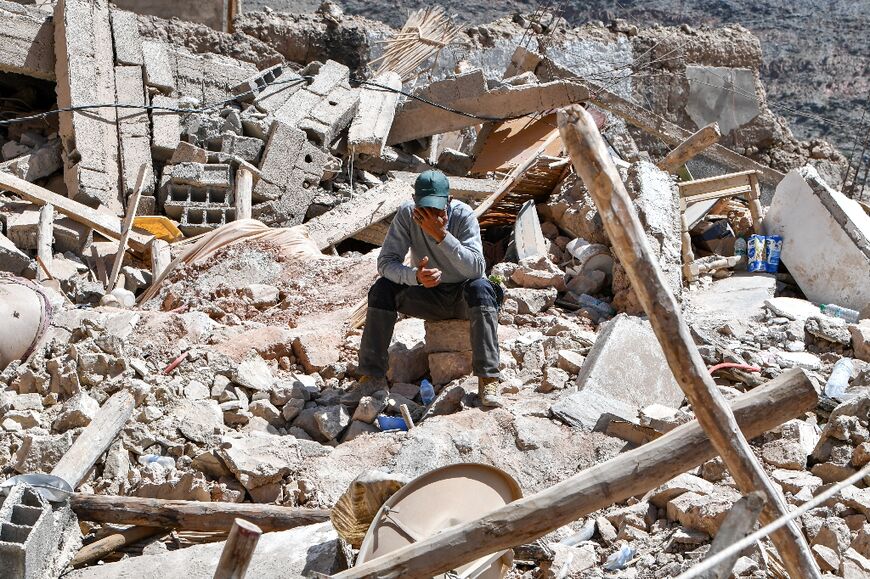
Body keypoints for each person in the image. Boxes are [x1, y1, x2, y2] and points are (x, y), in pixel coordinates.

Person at [357, 170, 503, 407]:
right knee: (382, 289)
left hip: (462, 297)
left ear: (449, 200)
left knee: (482, 288)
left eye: (437, 208)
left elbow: (477, 268)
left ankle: (488, 380)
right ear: (415, 201)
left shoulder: (464, 216)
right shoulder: (406, 215)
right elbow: (385, 263)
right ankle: (371, 376)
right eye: (425, 208)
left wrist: (442, 236)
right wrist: (414, 277)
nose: (431, 214)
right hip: (427, 295)